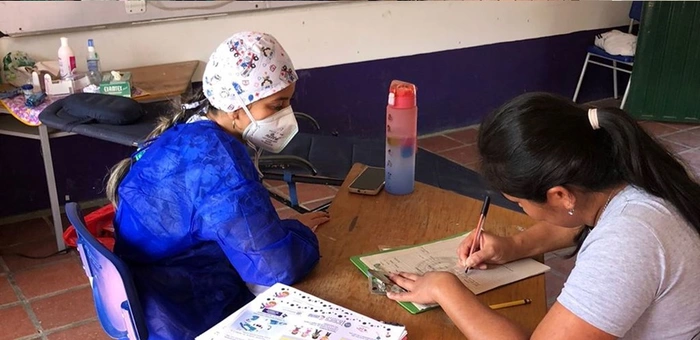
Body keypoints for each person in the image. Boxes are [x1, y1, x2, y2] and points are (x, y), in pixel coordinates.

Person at [386, 92, 700, 339]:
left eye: (519, 203)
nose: (522, 210)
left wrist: (445, 288)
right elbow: (581, 221)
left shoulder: (626, 244)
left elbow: (617, 244)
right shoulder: (626, 172)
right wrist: (513, 246)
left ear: (560, 195)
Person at [105, 31, 330, 340]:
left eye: (288, 104)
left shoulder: (192, 129)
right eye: (276, 106)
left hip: (149, 289)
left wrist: (280, 231)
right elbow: (275, 269)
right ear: (237, 109)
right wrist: (298, 234)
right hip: (181, 307)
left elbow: (234, 224)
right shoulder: (217, 160)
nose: (286, 117)